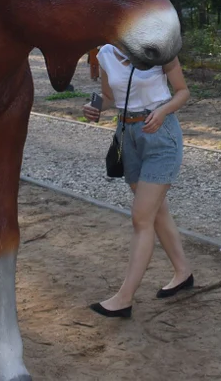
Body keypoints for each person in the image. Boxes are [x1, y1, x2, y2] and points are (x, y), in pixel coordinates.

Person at [82, 44, 194, 318]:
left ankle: (124, 298)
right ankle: (183, 272)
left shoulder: (158, 49)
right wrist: (94, 105)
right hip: (127, 138)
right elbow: (110, 96)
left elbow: (182, 92)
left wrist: (164, 110)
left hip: (160, 135)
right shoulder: (105, 53)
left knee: (141, 218)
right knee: (156, 212)